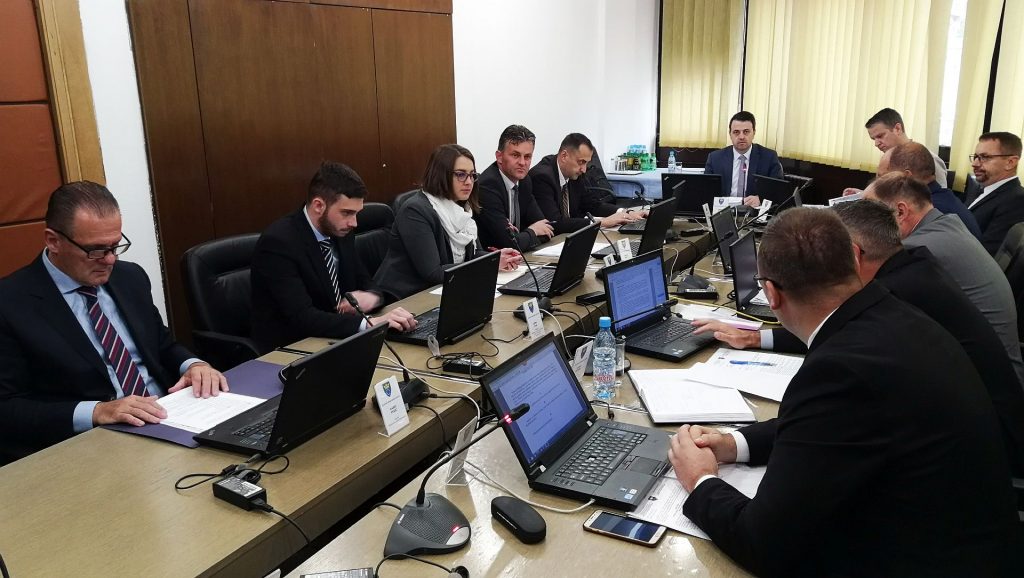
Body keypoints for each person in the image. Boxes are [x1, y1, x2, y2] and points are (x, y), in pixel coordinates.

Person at [671, 208, 1019, 577]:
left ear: (771, 294)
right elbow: (828, 428)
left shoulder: (840, 369)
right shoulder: (895, 314)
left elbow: (761, 543)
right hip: (975, 540)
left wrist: (701, 480)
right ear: (854, 259)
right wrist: (735, 444)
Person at [694, 199, 1024, 475]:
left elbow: (765, 528)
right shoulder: (903, 284)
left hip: (980, 466)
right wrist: (737, 442)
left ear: (853, 255)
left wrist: (701, 480)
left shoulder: (857, 346)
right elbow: (828, 420)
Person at [0, 181, 228, 463]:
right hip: (89, 448)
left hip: (169, 419)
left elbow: (162, 344)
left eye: (115, 246)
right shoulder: (10, 303)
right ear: (53, 241)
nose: (109, 260)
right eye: (96, 250)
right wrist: (97, 411)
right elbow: (7, 408)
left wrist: (193, 365)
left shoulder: (130, 277)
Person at [861, 172, 1024, 387]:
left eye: (869, 214)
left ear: (900, 212)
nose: (863, 223)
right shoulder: (947, 222)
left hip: (988, 384)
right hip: (997, 370)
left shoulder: (918, 249)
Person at [250, 162, 416, 353]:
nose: (354, 223)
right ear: (318, 205)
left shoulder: (340, 231)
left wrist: (373, 297)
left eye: (356, 213)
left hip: (336, 338)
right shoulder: (279, 243)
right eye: (347, 213)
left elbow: (364, 280)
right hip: (292, 347)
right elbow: (302, 317)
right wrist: (368, 323)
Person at [374, 144, 522, 301]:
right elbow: (433, 272)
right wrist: (490, 265)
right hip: (405, 299)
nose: (469, 182)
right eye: (461, 175)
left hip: (443, 291)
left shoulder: (462, 207)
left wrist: (495, 258)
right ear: (441, 175)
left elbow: (474, 253)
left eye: (472, 175)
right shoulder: (415, 211)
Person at [530, 133, 643, 235]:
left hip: (571, 236)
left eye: (586, 163)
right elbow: (555, 222)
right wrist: (601, 222)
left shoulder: (574, 173)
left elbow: (592, 205)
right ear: (564, 156)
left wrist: (625, 212)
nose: (584, 170)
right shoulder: (542, 177)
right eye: (581, 162)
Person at [474, 125, 554, 251]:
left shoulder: (524, 181)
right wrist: (532, 231)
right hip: (494, 259)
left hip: (518, 258)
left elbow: (546, 230)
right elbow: (509, 243)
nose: (522, 163)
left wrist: (524, 237)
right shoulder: (487, 186)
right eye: (515, 155)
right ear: (499, 157)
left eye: (527, 157)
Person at [881, 142, 981, 238]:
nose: (880, 184)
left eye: (885, 177)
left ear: (906, 176)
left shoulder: (928, 210)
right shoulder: (945, 200)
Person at [704, 111, 783, 206]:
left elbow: (778, 191)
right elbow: (706, 191)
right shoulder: (715, 158)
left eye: (746, 132)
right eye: (736, 132)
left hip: (754, 211)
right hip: (723, 210)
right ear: (730, 134)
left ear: (754, 133)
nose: (741, 137)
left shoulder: (769, 157)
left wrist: (760, 199)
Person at [966, 131, 1024, 254]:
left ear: (1010, 162)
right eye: (975, 157)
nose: (974, 163)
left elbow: (986, 253)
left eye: (985, 157)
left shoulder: (1017, 201)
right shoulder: (981, 189)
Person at [864, 107, 948, 187]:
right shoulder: (886, 160)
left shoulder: (929, 160)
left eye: (880, 136)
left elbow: (939, 195)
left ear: (898, 129)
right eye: (873, 139)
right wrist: (861, 194)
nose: (876, 144)